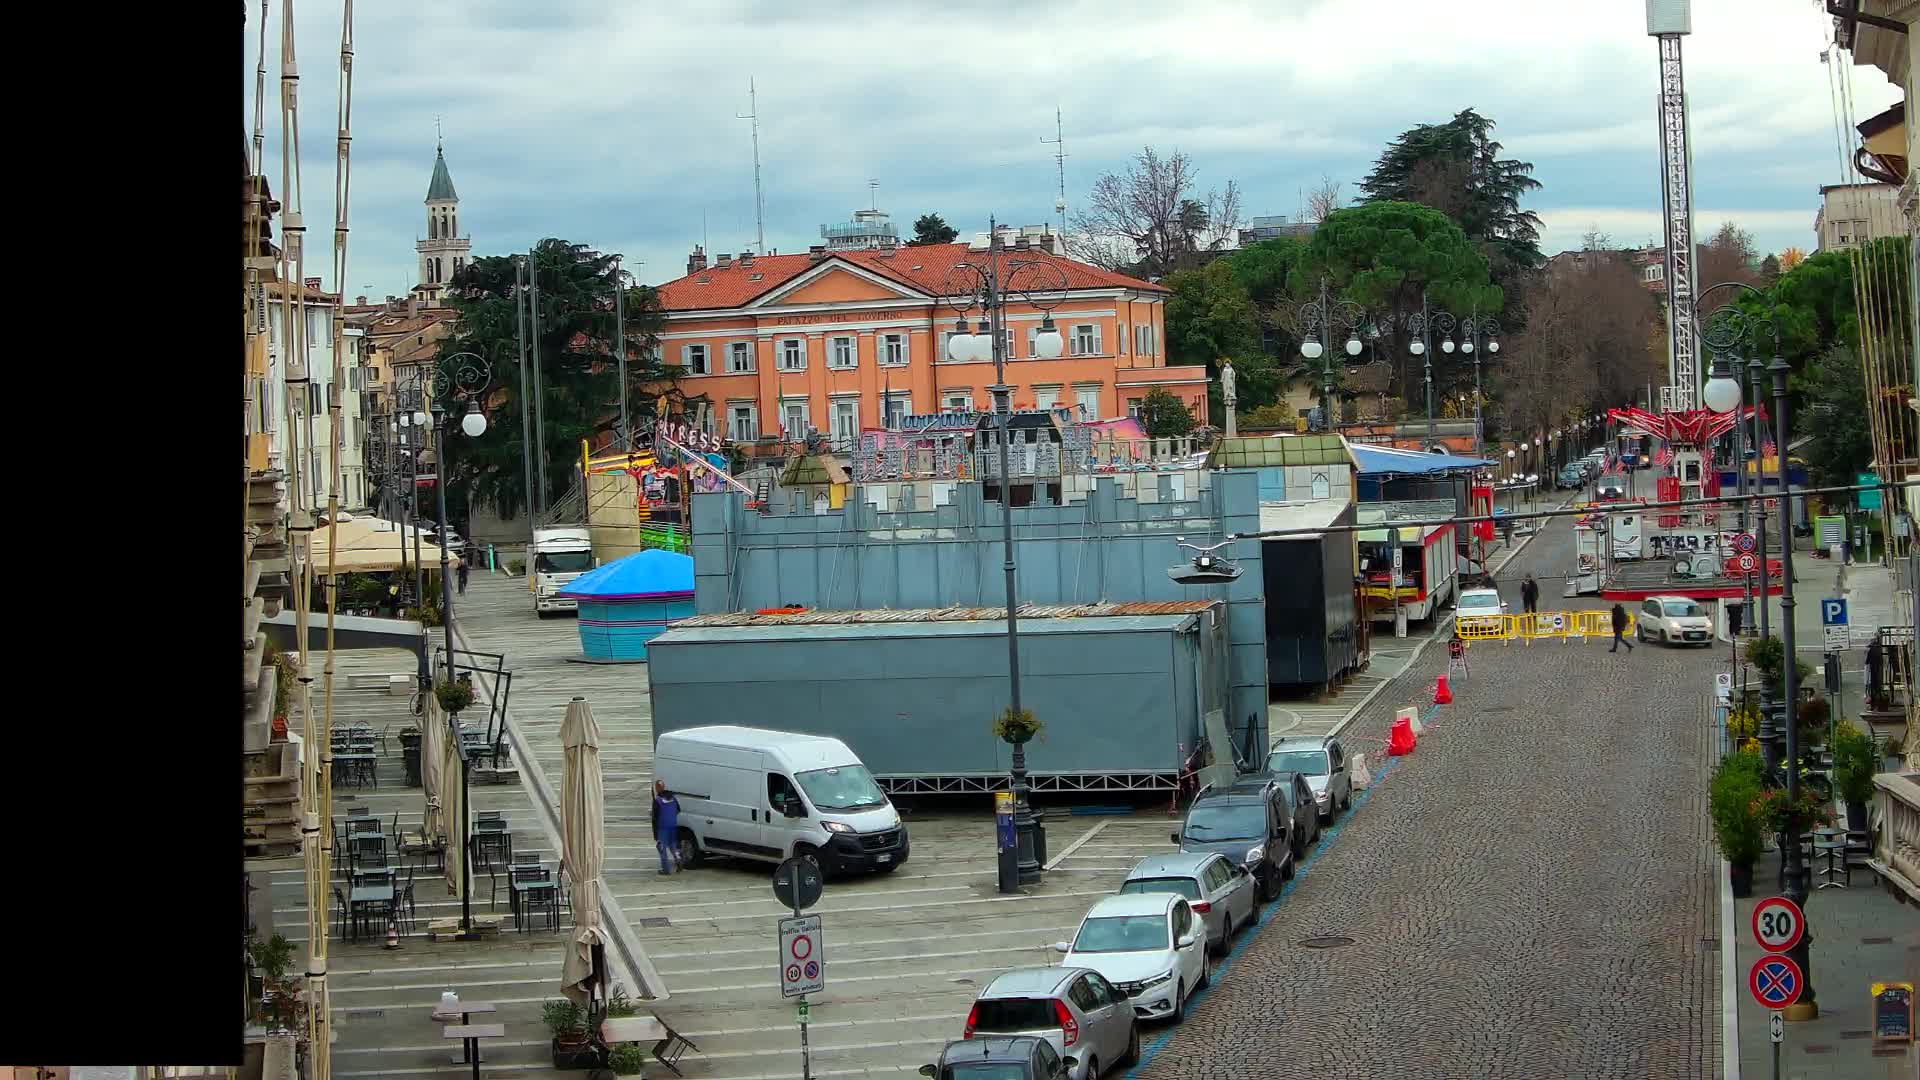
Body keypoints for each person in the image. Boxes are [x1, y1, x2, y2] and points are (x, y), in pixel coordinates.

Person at [650, 780, 682, 875]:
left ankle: (666, 869)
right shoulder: (673, 798)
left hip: (662, 827)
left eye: (656, 787)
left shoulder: (657, 801)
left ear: (658, 788)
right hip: (672, 825)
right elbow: (678, 810)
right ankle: (679, 860)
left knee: (661, 847)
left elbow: (654, 817)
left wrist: (655, 833)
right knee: (672, 846)